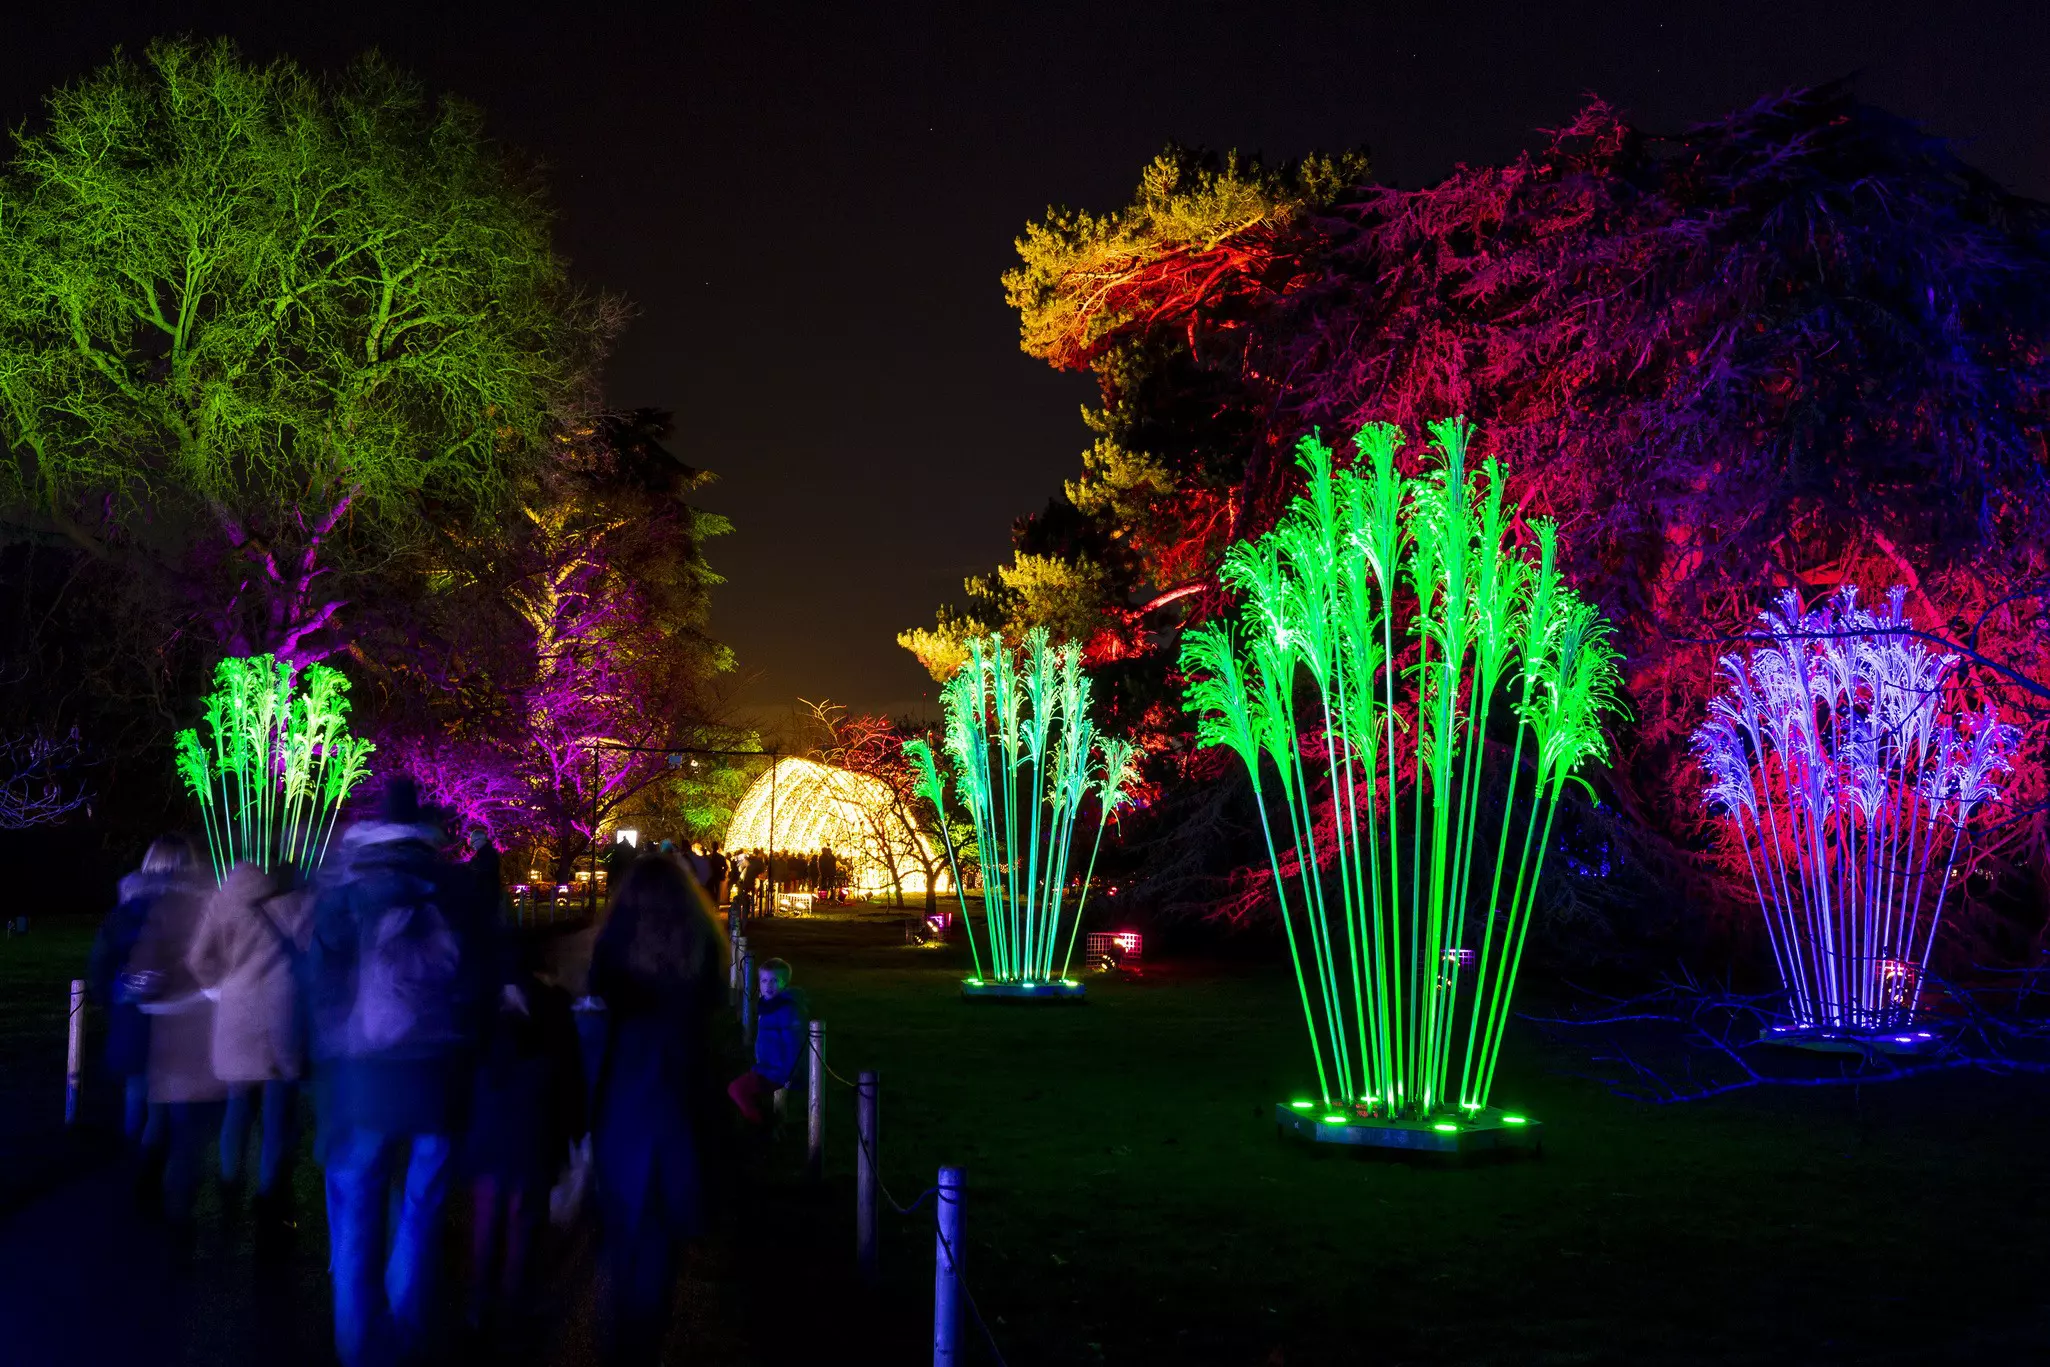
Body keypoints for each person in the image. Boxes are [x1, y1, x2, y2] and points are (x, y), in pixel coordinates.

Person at [306, 776, 495, 1367]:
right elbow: (484, 980)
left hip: (363, 1078)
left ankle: (358, 1342)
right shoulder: (458, 888)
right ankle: (407, 1329)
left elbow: (318, 984)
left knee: (357, 1210)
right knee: (421, 1207)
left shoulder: (346, 892)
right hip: (438, 1076)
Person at [589, 854, 726, 1366]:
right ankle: (643, 1340)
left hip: (626, 1094)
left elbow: (599, 995)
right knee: (661, 1239)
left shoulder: (617, 948)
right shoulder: (699, 949)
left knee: (624, 1230)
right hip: (680, 1097)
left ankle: (619, 1341)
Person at [463, 935, 586, 1340]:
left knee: (485, 1219)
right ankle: (515, 1306)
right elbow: (571, 1077)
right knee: (522, 1222)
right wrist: (573, 1133)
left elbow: (464, 1072)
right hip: (535, 1132)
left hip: (487, 1132)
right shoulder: (556, 1006)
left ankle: (480, 1305)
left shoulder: (480, 1007)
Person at [186, 860, 309, 1228]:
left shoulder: (222, 902)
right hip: (280, 1017)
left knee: (237, 1107)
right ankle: (269, 1196)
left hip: (236, 1014)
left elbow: (197, 958)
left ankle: (228, 1185)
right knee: (275, 1116)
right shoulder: (294, 904)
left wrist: (215, 989)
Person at [125, 835, 226, 1227]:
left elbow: (140, 968)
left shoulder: (149, 907)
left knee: (159, 1116)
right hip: (199, 1026)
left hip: (163, 1026)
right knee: (187, 1130)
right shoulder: (206, 903)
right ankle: (176, 1211)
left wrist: (133, 987)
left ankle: (147, 1201)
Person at [727, 958, 802, 1127]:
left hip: (778, 1073)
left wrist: (790, 1075)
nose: (768, 985)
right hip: (766, 1067)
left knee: (736, 1089)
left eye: (775, 981)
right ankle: (763, 1121)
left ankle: (760, 1125)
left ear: (785, 983)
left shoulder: (786, 1011)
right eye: (764, 980)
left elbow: (793, 1046)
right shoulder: (768, 1006)